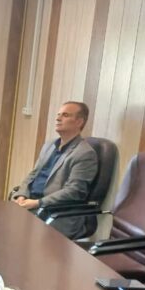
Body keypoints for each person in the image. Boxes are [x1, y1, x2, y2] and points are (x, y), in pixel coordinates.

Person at [12, 101, 97, 239]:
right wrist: (22, 195)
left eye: (65, 115)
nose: (58, 118)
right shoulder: (50, 145)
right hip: (31, 205)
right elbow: (33, 174)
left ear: (79, 122)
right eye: (58, 114)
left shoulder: (85, 153)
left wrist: (37, 203)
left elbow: (74, 191)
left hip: (54, 213)